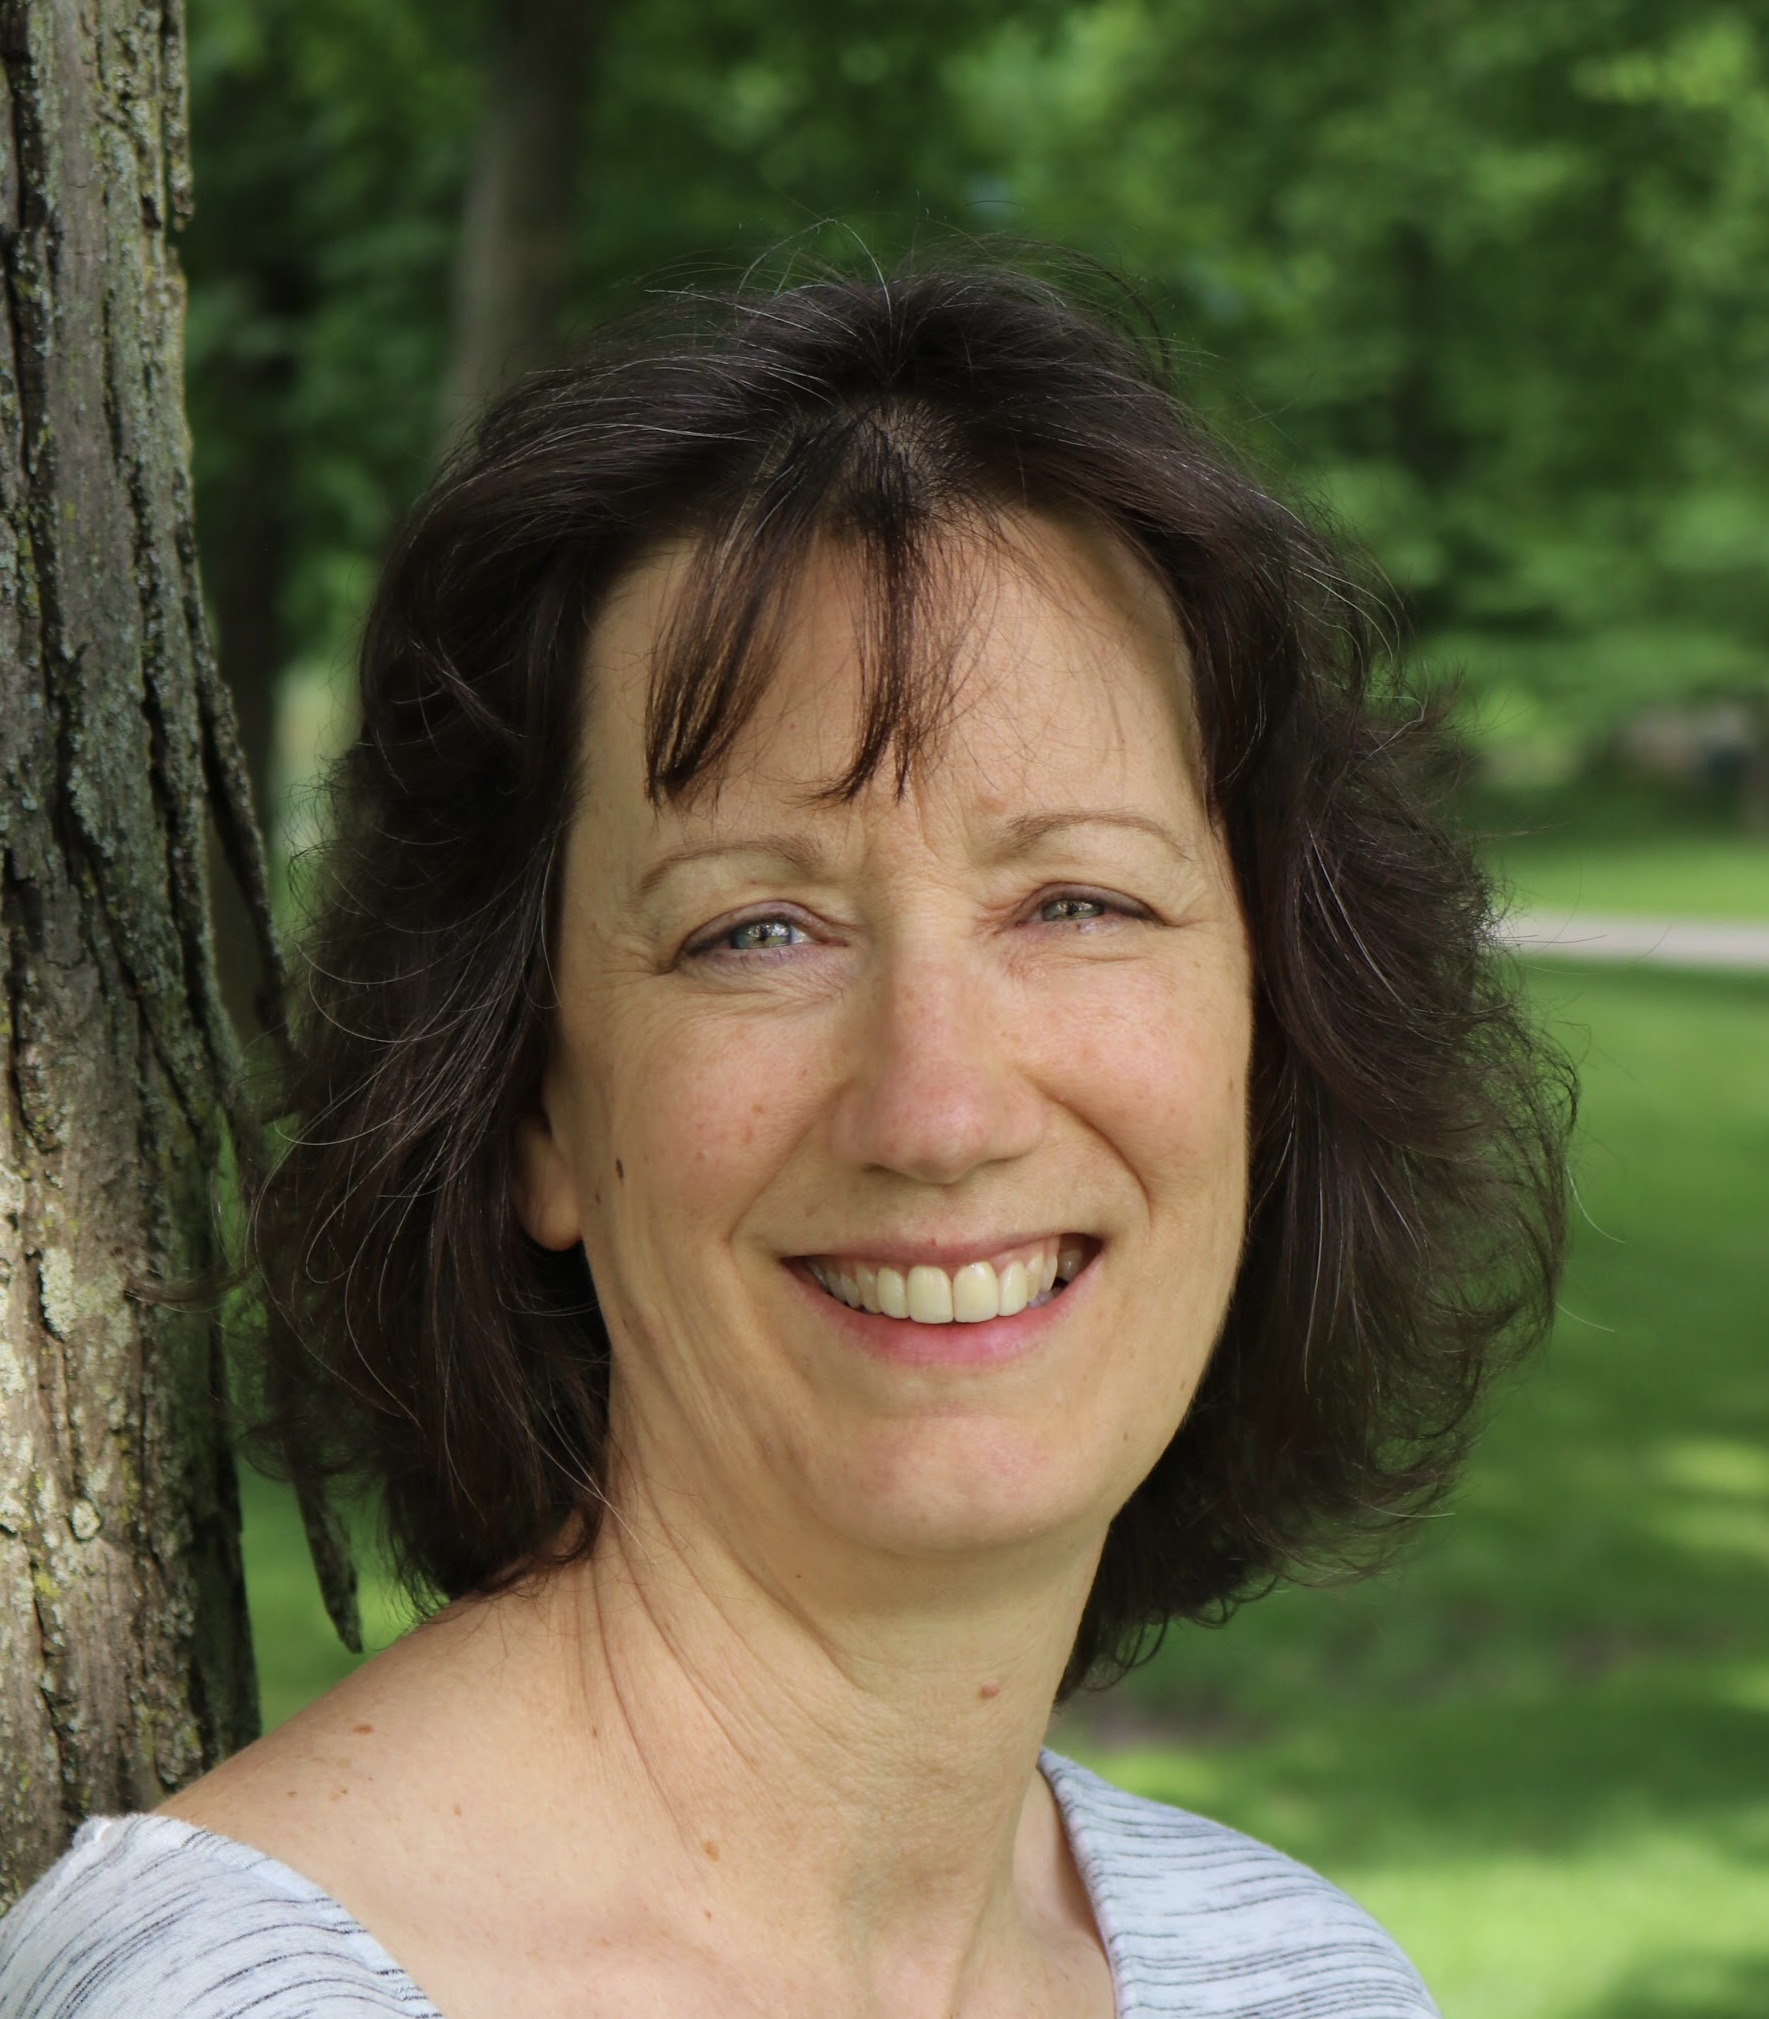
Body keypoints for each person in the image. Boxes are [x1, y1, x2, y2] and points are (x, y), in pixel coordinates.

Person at [0, 263, 1567, 2018]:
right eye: (756, 931)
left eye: (1078, 901)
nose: (939, 1109)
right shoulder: (240, 1997)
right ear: (527, 1101)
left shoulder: (1297, 1982)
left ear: (1273, 1048)